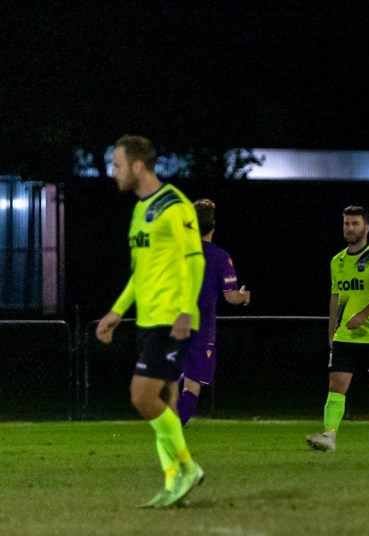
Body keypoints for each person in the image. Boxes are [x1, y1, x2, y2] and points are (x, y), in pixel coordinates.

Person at [94, 135, 205, 508]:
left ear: (138, 165)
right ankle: (174, 481)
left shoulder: (175, 205)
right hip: (148, 320)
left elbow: (195, 260)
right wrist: (117, 311)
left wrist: (186, 310)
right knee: (161, 404)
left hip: (173, 320)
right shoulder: (140, 211)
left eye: (118, 165)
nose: (114, 173)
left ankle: (187, 468)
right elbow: (139, 274)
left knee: (142, 396)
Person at [307, 206, 369, 453]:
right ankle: (329, 436)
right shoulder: (337, 261)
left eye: (355, 223)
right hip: (345, 337)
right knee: (336, 385)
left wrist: (363, 315)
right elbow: (335, 297)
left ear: (366, 227)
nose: (349, 228)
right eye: (346, 223)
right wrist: (331, 331)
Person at [177, 199, 251, 426]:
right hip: (201, 328)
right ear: (213, 226)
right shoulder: (220, 257)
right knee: (193, 383)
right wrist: (244, 296)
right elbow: (231, 296)